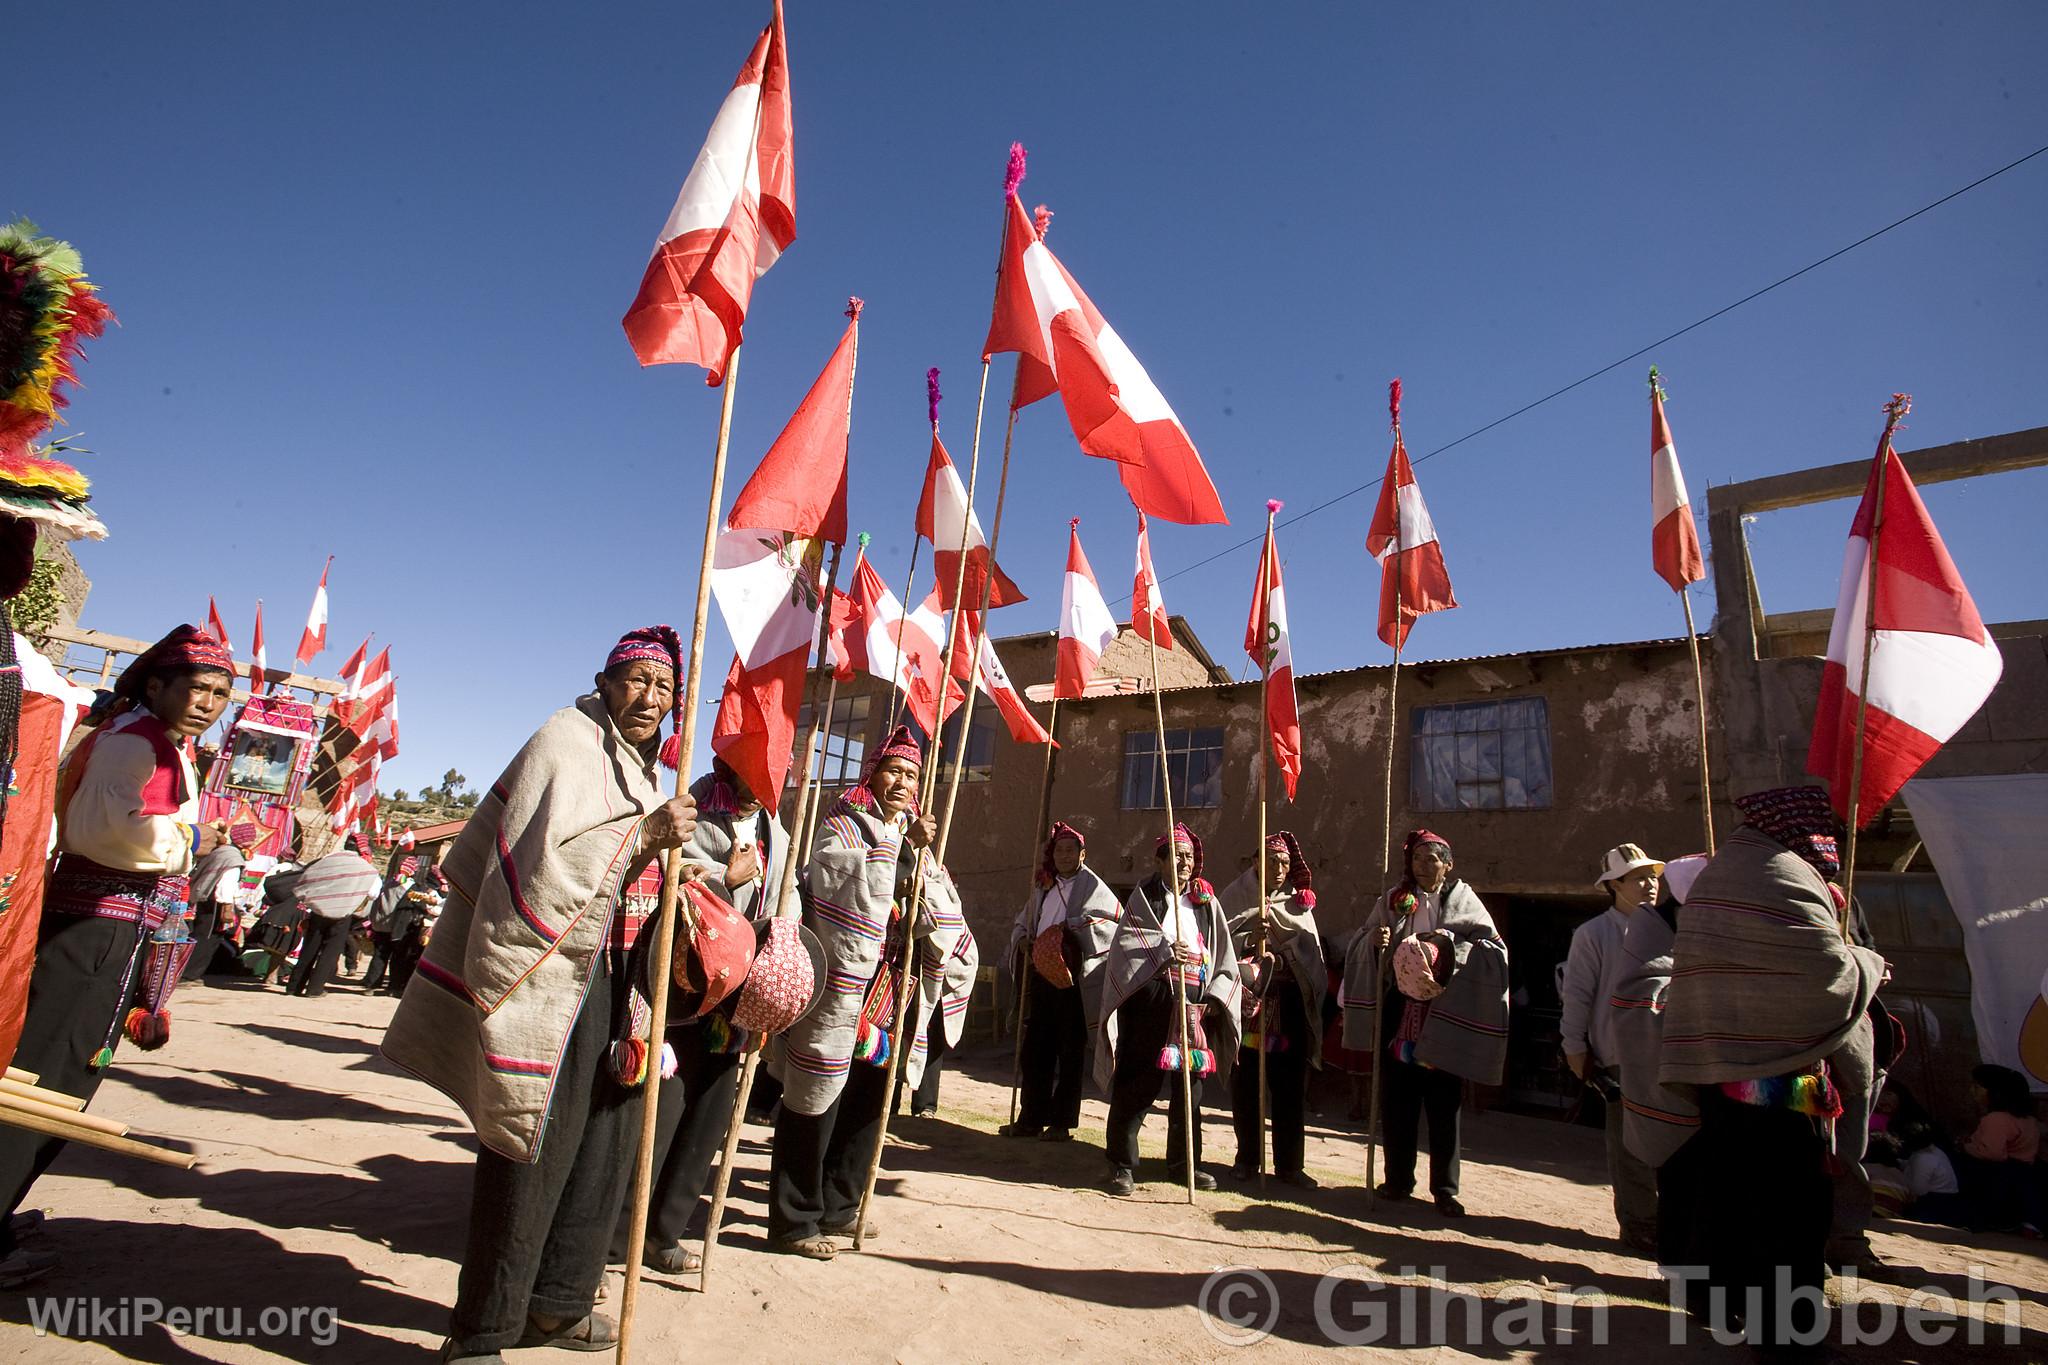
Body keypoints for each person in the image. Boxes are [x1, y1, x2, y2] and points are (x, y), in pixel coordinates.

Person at [381, 625, 697, 1361]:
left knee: (606, 1145)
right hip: (554, 979)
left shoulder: (646, 769)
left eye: (665, 688)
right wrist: (642, 841)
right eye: (638, 680)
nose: (651, 697)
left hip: (621, 981)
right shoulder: (565, 742)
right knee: (533, 1147)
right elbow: (540, 868)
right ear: (603, 680)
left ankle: (557, 1305)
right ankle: (482, 1329)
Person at [0, 624, 234, 1287]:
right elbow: (103, 830)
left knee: (68, 1075)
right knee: (48, 1076)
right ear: (157, 685)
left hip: (111, 933)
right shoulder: (135, 743)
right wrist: (197, 833)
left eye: (220, 692)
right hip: (92, 933)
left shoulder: (155, 743)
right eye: (198, 687)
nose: (209, 702)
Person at [1657, 786, 1886, 1348]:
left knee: (1730, 1194)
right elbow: (1822, 978)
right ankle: (1787, 1339)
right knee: (1788, 1211)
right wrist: (1869, 962)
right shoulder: (1779, 875)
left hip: (1721, 1072)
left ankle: (1730, 1305)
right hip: (1784, 1080)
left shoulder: (1725, 873)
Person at [769, 726, 977, 1259]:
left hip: (894, 987)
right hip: (842, 989)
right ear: (873, 773)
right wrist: (904, 855)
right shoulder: (843, 824)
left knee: (867, 1103)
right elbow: (839, 882)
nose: (903, 783)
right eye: (894, 771)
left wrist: (931, 905)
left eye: (912, 775)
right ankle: (795, 1218)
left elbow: (937, 900)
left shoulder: (916, 837)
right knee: (818, 1097)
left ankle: (841, 1205)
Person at [610, 756, 790, 1276]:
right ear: (730, 762)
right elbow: (667, 879)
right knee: (660, 1114)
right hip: (680, 988)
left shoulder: (772, 826)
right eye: (760, 763)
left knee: (708, 1116)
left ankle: (665, 1232)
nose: (769, 777)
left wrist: (780, 956)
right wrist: (725, 879)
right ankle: (617, 1236)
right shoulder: (693, 809)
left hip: (735, 996)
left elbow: (785, 893)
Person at [1340, 829, 1510, 1217]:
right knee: (1398, 1100)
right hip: (1401, 1009)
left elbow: (1492, 946)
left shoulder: (1465, 901)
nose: (1423, 866)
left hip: (1445, 1010)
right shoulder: (1395, 900)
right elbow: (1365, 937)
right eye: (1417, 859)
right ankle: (1398, 1181)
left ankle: (1445, 1190)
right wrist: (1376, 939)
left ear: (1447, 865)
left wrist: (1448, 946)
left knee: (1443, 1104)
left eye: (1431, 859)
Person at [1095, 824, 1242, 1197]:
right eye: (1175, 855)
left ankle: (1183, 1164)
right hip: (1151, 999)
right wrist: (1162, 953)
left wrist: (1214, 996)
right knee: (1137, 1082)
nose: (1183, 862)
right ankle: (1122, 1164)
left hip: (1193, 1005)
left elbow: (1224, 955)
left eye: (1189, 856)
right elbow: (1125, 946)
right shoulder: (1144, 898)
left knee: (1190, 1090)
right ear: (1160, 861)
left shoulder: (1207, 904)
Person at [1560, 843, 1665, 1254]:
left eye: (1652, 876)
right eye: (1638, 878)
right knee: (1629, 1148)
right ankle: (1639, 1224)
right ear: (1614, 885)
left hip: (1667, 1052)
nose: (1649, 885)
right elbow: (1577, 994)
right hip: (1621, 1055)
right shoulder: (1594, 934)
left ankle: (1673, 1222)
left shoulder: (1667, 928)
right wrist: (1574, 1046)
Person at [1000, 822, 1120, 1142]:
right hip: (1042, 977)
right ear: (1051, 854)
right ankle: (1030, 1118)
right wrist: (1026, 938)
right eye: (1059, 850)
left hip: (1073, 984)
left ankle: (1062, 1123)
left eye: (1071, 850)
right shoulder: (1043, 886)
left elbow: (1111, 924)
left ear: (1083, 854)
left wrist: (1073, 932)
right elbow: (1025, 921)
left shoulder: (1093, 886)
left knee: (1069, 1053)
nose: (1064, 855)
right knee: (1036, 1050)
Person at [1221, 831, 1326, 1188]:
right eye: (1270, 861)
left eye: (1283, 862)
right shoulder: (1235, 896)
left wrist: (1286, 954)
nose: (1278, 868)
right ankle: (1247, 1159)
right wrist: (1249, 936)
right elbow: (1219, 943)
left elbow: (1313, 955)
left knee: (1289, 1087)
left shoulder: (1298, 904)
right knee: (1247, 1084)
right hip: (1250, 1004)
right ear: (1255, 863)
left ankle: (1289, 1166)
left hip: (1289, 1005)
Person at [285, 833, 381, 997]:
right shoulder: (367, 869)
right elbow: (373, 894)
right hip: (343, 914)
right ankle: (314, 990)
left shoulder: (326, 860)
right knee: (330, 952)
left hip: (317, 911)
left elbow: (306, 878)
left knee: (309, 949)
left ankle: (294, 987)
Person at [1955, 1063, 2041, 1232]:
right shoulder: (2029, 1120)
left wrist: (1965, 1147)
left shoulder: (1996, 1119)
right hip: (2023, 1179)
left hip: (1999, 1182)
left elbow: (1992, 1153)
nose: (1973, 1091)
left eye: (1978, 1087)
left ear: (1994, 1092)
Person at [182, 821, 255, 981]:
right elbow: (226, 883)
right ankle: (189, 974)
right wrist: (227, 906)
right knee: (207, 938)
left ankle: (189, 971)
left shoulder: (222, 851)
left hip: (207, 897)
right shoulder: (233, 857)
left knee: (202, 934)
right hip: (217, 902)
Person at [360, 854, 420, 993]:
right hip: (399, 929)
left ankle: (372, 984)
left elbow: (377, 904)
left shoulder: (389, 883)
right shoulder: (411, 888)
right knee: (397, 959)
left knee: (380, 956)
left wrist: (374, 921)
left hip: (381, 926)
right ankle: (394, 987)